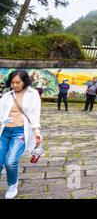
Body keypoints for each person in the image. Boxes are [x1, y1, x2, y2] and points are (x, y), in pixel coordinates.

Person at [0, 70, 42, 199]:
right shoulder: (7, 95)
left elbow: (35, 114)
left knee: (11, 161)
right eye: (12, 82)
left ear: (25, 82)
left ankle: (12, 185)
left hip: (20, 132)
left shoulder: (33, 94)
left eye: (18, 82)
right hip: (4, 132)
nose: (15, 85)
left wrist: (36, 131)